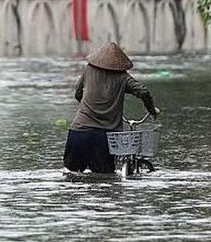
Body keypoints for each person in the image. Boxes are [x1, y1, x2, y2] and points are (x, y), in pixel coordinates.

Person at [64, 42, 160, 173]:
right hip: (105, 137)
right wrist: (151, 110)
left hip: (79, 131)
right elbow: (143, 91)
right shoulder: (123, 77)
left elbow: (77, 94)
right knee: (105, 180)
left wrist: (88, 107)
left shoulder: (89, 70)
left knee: (71, 173)